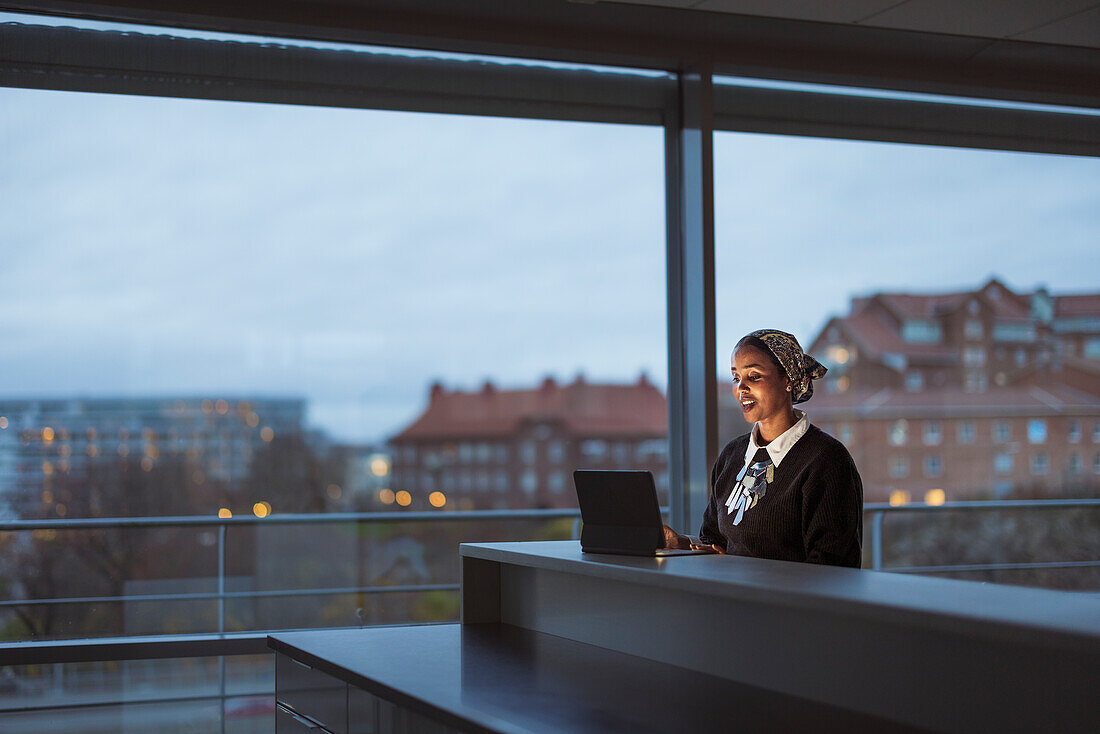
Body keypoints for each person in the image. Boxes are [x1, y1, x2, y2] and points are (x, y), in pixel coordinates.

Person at [665, 328, 863, 568]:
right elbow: (715, 541)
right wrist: (682, 544)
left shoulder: (827, 460)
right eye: (736, 377)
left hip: (788, 604)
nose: (741, 388)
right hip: (733, 600)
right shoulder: (732, 456)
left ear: (788, 380)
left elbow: (834, 566)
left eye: (754, 376)